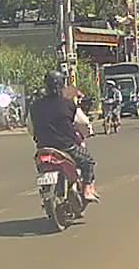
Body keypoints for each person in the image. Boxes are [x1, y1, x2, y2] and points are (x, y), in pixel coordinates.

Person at [30, 71, 99, 201]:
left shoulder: (35, 106)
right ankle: (87, 190)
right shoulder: (68, 104)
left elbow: (30, 127)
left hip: (43, 148)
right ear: (62, 85)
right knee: (88, 161)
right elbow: (84, 123)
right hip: (67, 147)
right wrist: (87, 133)